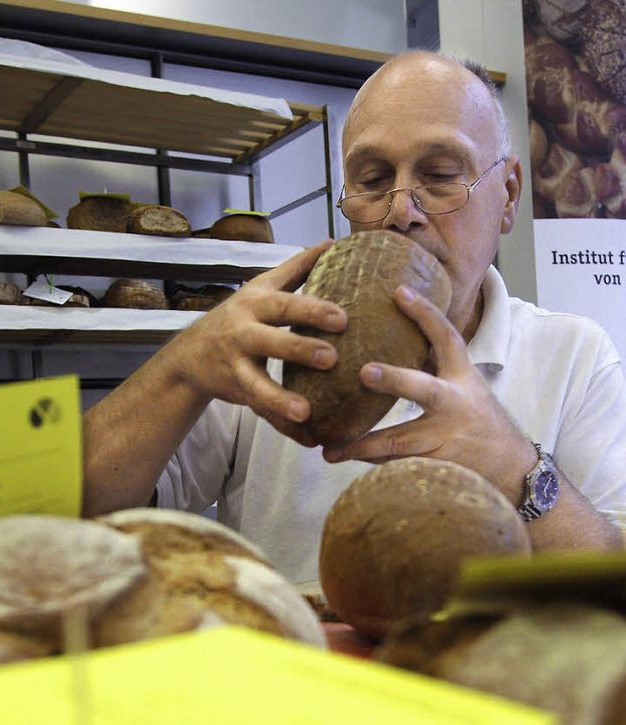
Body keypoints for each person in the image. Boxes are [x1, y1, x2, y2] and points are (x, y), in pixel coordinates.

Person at [83, 51, 626, 586]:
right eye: (371, 179)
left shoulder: (575, 354)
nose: (400, 211)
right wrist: (180, 368)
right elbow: (79, 516)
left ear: (507, 196)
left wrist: (511, 465)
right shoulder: (265, 349)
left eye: (439, 174)